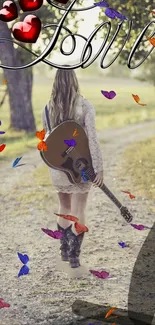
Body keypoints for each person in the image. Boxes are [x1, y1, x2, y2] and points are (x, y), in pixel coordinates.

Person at [42, 67, 103, 269]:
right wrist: (99, 168)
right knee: (79, 208)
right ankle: (75, 255)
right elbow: (92, 140)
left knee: (64, 206)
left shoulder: (47, 108)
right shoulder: (85, 105)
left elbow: (47, 142)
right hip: (81, 166)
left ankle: (64, 249)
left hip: (58, 167)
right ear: (74, 80)